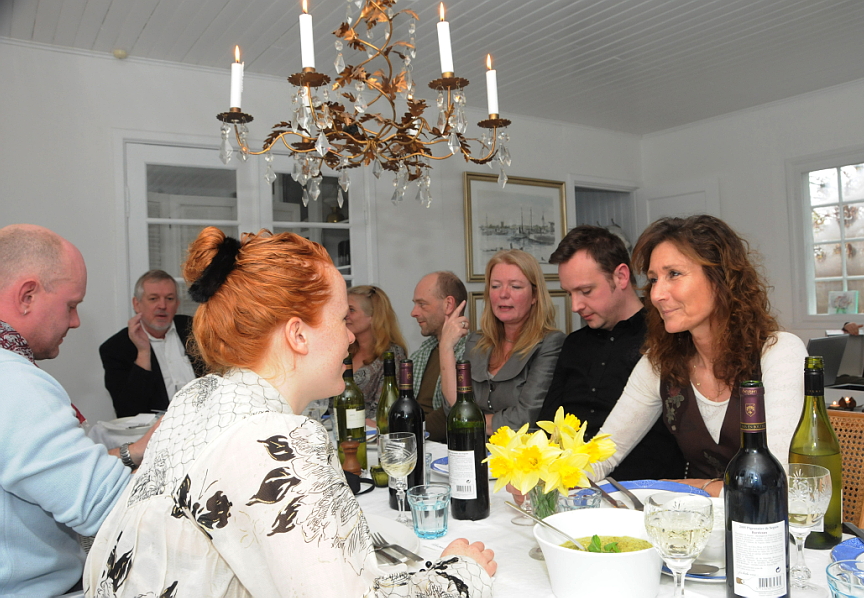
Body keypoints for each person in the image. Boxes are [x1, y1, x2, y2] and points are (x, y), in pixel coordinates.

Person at [84, 229, 497, 597]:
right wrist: (462, 574)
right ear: (298, 334)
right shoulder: (279, 441)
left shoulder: (197, 396)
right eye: (341, 319)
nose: (350, 337)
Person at [590, 215, 806, 497]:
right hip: (694, 520)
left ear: (720, 278)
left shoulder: (779, 352)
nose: (656, 294)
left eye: (674, 274)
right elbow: (602, 454)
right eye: (653, 280)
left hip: (767, 522)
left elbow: (775, 482)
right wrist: (548, 474)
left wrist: (685, 487)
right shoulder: (659, 363)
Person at [0, 224, 152, 597]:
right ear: (27, 295)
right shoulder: (14, 381)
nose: (75, 321)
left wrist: (134, 452)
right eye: (71, 305)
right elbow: (104, 505)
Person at [537, 225, 686, 480]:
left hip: (644, 489)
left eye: (585, 291)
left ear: (621, 276)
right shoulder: (574, 345)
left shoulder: (666, 339)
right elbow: (545, 425)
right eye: (569, 293)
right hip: (573, 483)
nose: (575, 306)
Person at [439, 250, 565, 435]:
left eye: (515, 286)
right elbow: (452, 408)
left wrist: (467, 420)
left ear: (534, 295)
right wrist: (446, 347)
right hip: (473, 448)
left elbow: (524, 418)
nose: (503, 294)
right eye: (496, 286)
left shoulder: (550, 343)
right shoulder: (477, 341)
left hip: (521, 451)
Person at [99, 270, 205, 416]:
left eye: (169, 298)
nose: (162, 305)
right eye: (153, 299)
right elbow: (127, 411)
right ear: (137, 304)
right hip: (156, 428)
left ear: (177, 304)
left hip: (206, 420)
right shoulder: (116, 348)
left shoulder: (196, 330)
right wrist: (143, 353)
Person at [408, 271, 469, 442]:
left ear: (448, 305)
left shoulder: (472, 353)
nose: (413, 312)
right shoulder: (421, 353)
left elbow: (451, 414)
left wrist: (403, 432)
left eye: (422, 304)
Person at [345, 285, 408, 419]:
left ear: (374, 317)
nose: (345, 315)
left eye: (351, 310)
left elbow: (387, 408)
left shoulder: (392, 354)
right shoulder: (344, 350)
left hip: (370, 429)